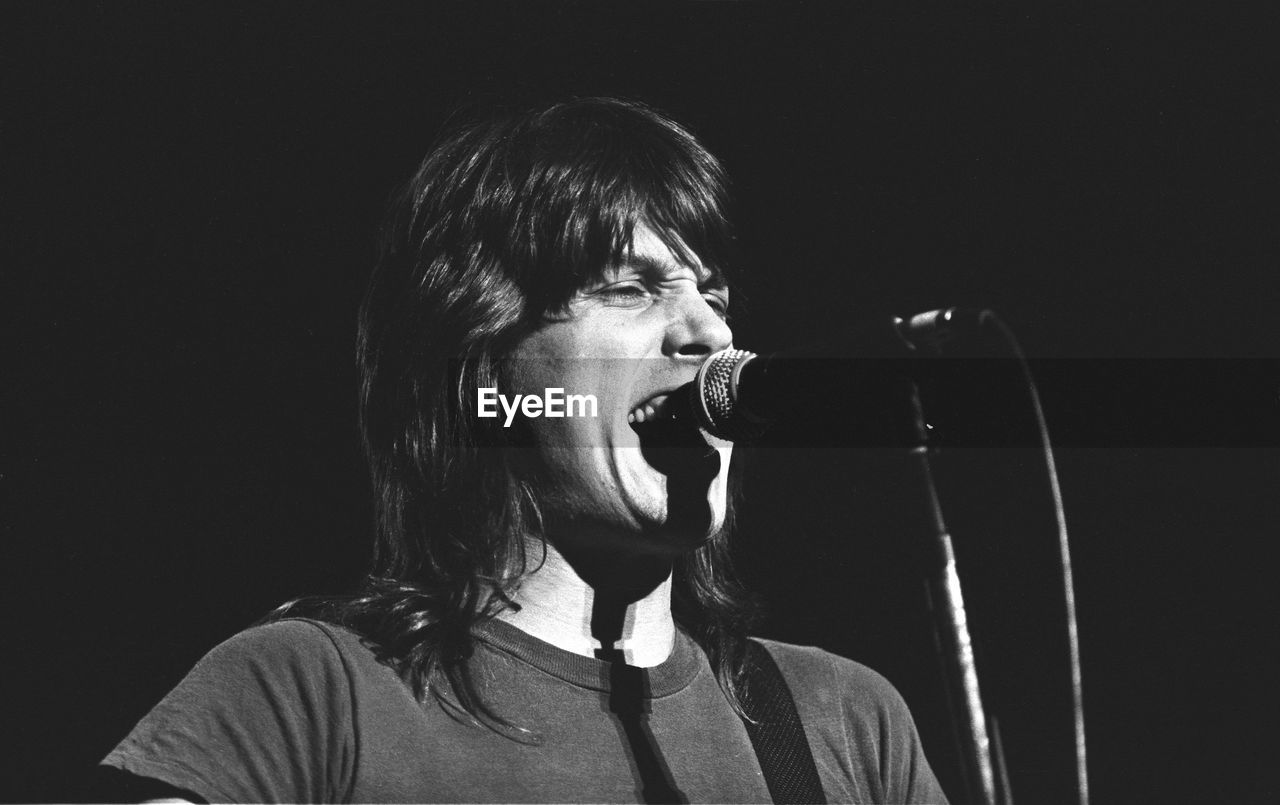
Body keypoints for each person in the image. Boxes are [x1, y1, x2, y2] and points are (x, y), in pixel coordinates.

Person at [100, 97, 948, 803]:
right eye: (628, 287)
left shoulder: (842, 723)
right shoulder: (307, 694)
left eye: (716, 297)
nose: (710, 334)